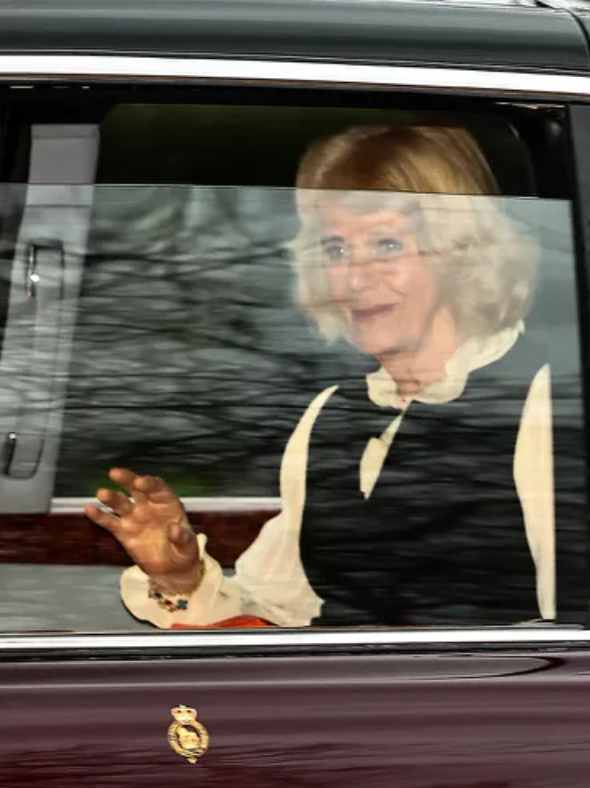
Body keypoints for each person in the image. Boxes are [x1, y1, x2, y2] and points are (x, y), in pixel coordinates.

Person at [85, 125, 559, 628]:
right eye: (335, 250)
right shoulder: (331, 414)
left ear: (460, 254)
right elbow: (279, 610)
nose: (354, 279)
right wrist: (181, 578)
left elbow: (582, 651)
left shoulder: (544, 405)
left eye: (386, 245)